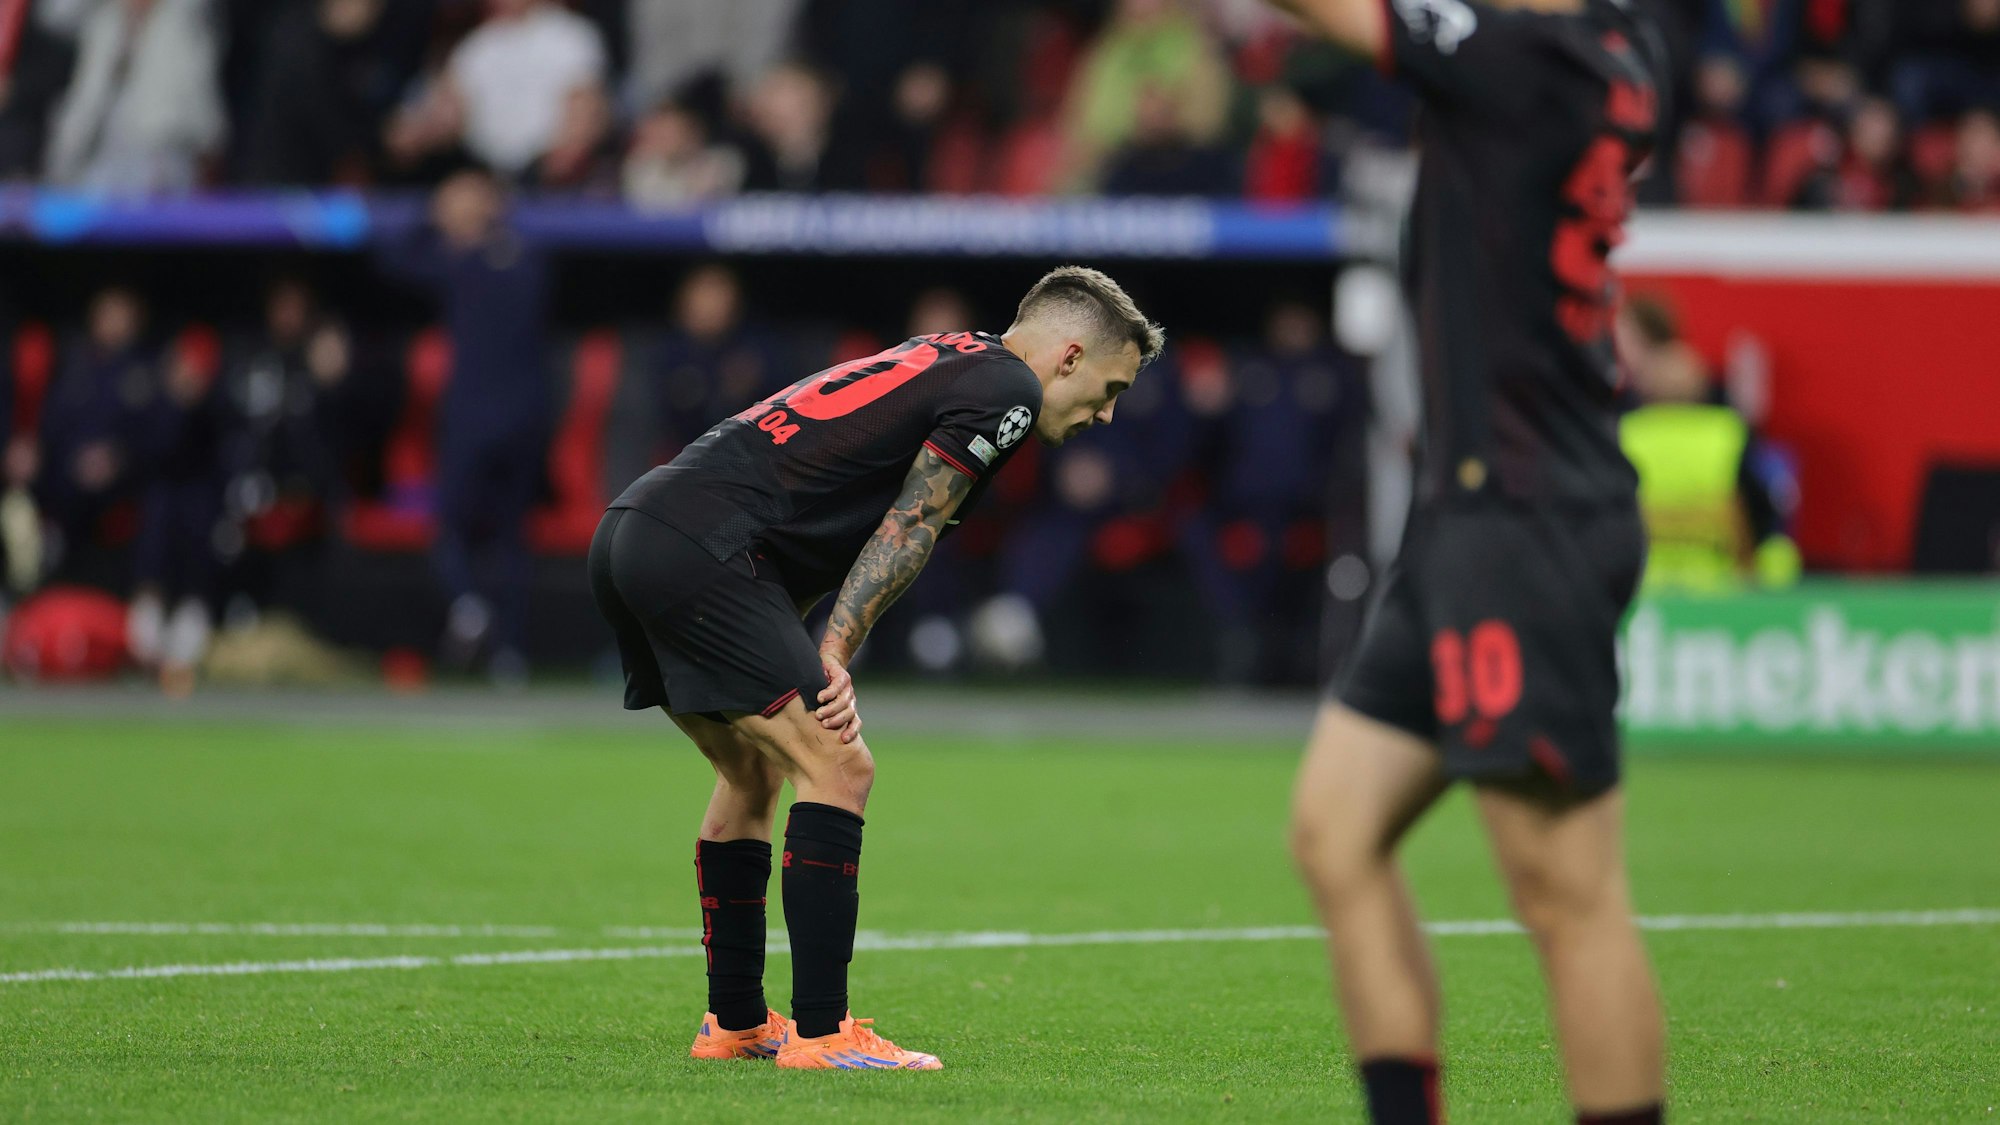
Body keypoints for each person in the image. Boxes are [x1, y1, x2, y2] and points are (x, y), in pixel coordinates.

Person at [588, 267, 1161, 1070]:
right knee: (840, 764)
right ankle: (824, 1033)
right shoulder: (1010, 390)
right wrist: (834, 650)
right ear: (1068, 357)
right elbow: (911, 523)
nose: (1106, 413)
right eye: (1110, 388)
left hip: (636, 527)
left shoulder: (953, 352)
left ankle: (737, 1022)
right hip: (704, 545)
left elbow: (804, 495)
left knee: (752, 770)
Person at [1264, 1, 1671, 1123]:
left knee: (1566, 892)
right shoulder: (1615, 48)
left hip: (1525, 522)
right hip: (1474, 517)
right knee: (1335, 830)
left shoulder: (1517, 56)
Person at [377, 169, 553, 683]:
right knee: (500, 538)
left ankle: (478, 615)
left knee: (466, 531)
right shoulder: (515, 255)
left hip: (482, 419)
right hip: (518, 416)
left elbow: (391, 253)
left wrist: (433, 217)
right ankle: (503, 647)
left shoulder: (475, 259)